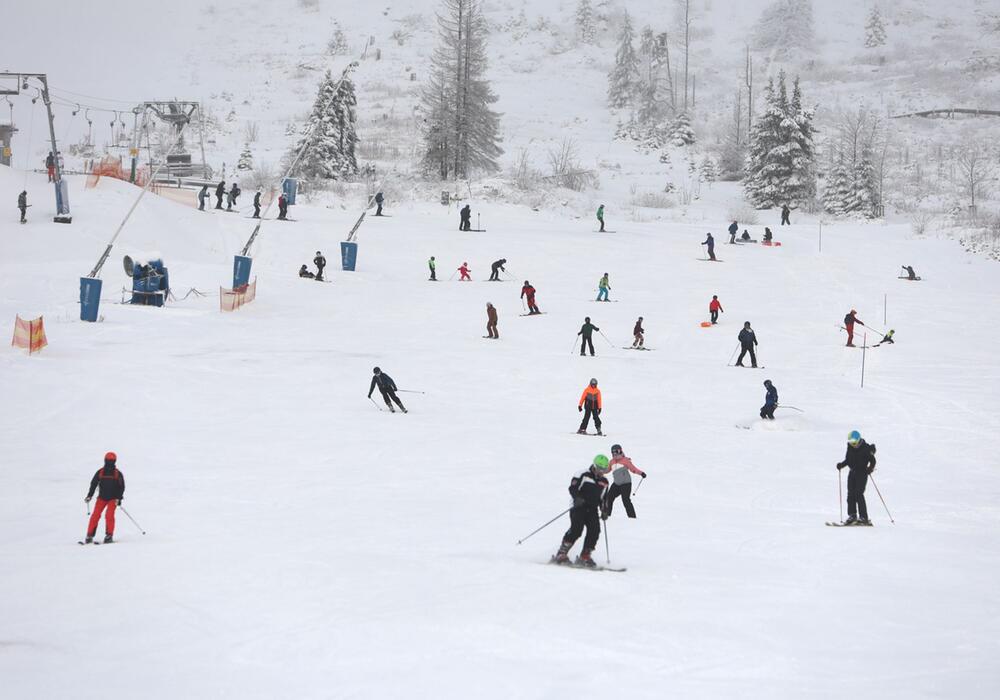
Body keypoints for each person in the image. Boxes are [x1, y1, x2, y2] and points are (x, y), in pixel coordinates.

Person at [552, 455, 611, 567]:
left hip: (592, 509)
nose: (601, 471)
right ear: (594, 465)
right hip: (578, 506)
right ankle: (561, 553)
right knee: (577, 529)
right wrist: (577, 498)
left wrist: (604, 510)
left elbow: (604, 498)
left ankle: (585, 556)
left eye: (604, 469)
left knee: (595, 530)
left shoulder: (604, 482)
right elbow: (573, 488)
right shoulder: (583, 474)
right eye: (599, 468)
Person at [836, 430, 877, 525]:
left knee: (858, 494)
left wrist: (870, 469)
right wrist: (841, 465)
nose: (853, 444)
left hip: (862, 473)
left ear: (858, 440)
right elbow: (848, 459)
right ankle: (852, 515)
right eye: (851, 442)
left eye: (854, 442)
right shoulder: (850, 448)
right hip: (852, 473)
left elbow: (873, 460)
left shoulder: (865, 448)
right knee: (850, 494)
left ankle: (863, 518)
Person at [84, 452, 125, 544]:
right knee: (95, 515)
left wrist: (119, 498)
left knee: (109, 515)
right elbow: (93, 484)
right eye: (108, 460)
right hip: (102, 498)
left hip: (113, 499)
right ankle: (89, 535)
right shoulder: (100, 472)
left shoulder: (117, 473)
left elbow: (121, 487)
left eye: (111, 461)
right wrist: (89, 495)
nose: (109, 462)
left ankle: (109, 535)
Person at [603, 444, 645, 519]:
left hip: (626, 484)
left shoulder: (625, 460)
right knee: (609, 498)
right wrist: (600, 470)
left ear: (620, 451)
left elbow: (633, 469)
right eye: (613, 452)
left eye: (617, 451)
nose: (615, 454)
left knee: (625, 500)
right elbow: (607, 470)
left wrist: (641, 473)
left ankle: (632, 517)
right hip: (616, 484)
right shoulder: (611, 462)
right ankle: (607, 515)